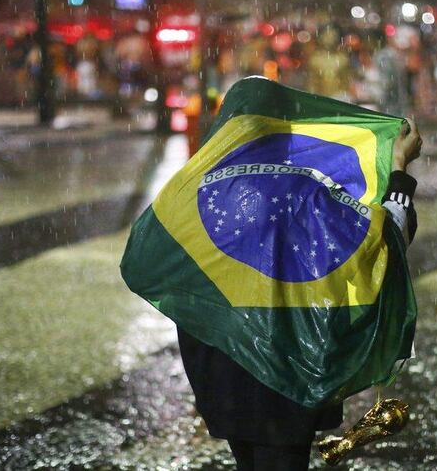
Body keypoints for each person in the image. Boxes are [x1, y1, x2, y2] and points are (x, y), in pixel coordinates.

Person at [177, 119, 423, 471]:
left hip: (222, 379)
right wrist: (398, 171)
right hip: (289, 380)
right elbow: (384, 247)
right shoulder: (306, 196)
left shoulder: (197, 196)